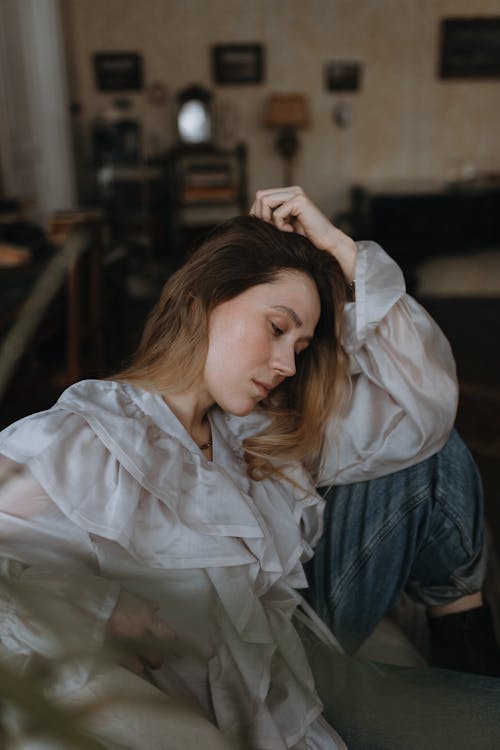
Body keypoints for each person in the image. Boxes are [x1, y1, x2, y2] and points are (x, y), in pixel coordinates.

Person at [0, 186, 499, 749]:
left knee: (439, 459)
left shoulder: (255, 435)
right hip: (272, 716)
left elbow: (424, 410)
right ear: (202, 301)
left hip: (301, 689)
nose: (287, 363)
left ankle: (470, 647)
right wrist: (102, 608)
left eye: (301, 345)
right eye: (277, 328)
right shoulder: (79, 439)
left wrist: (337, 246)